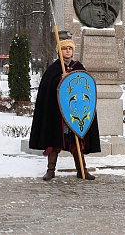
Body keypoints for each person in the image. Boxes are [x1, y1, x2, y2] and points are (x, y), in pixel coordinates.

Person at [29, 38, 101, 180]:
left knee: (77, 140)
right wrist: (61, 78)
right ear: (59, 51)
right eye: (65, 48)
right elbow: (48, 89)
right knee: (54, 140)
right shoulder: (53, 69)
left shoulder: (78, 67)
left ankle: (82, 170)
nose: (68, 51)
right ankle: (50, 170)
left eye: (70, 48)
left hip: (75, 111)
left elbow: (86, 88)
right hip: (57, 113)